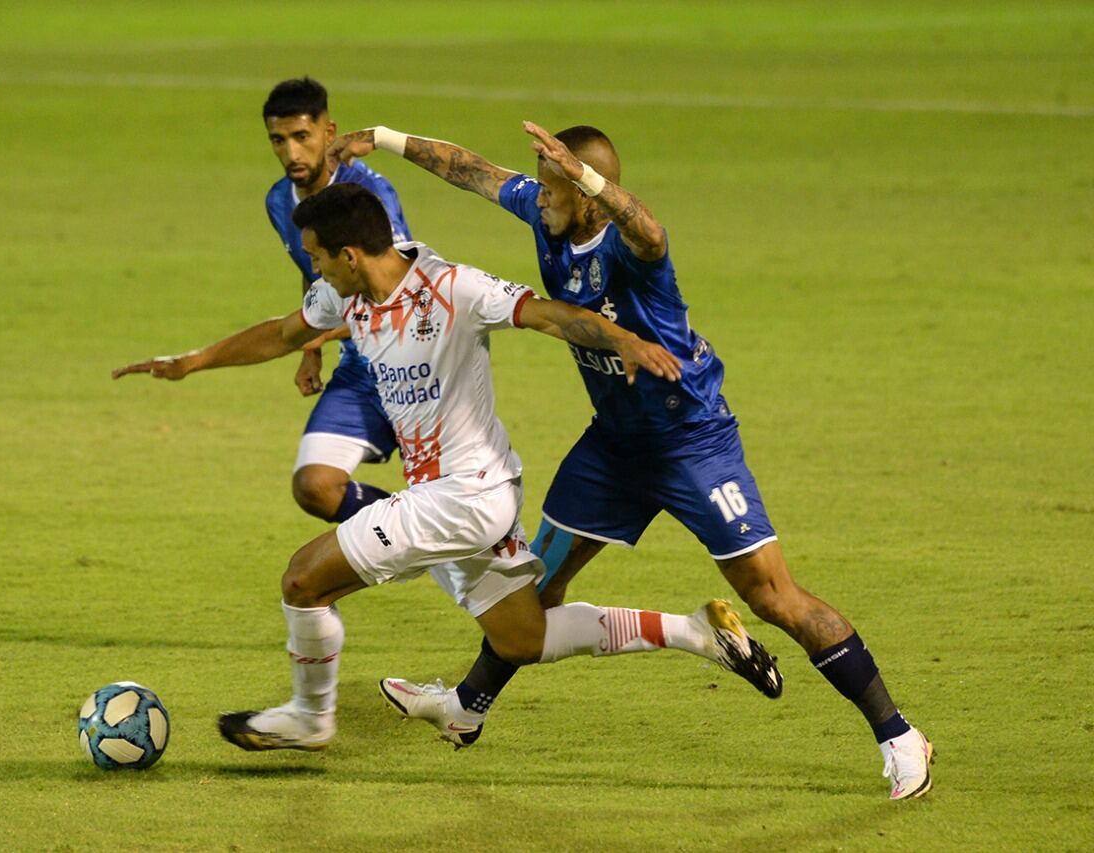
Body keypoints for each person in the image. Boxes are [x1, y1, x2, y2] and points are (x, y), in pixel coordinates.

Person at [326, 123, 933, 800]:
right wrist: (381, 138)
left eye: (554, 189)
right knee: (535, 592)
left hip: (692, 444)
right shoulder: (547, 212)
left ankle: (899, 733)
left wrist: (585, 181)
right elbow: (473, 170)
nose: (538, 201)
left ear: (586, 195)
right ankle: (469, 705)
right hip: (611, 447)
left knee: (772, 597)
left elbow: (649, 228)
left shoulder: (629, 248)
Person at [112, 183, 782, 752]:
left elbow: (547, 315)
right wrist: (193, 360)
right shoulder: (345, 296)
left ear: (349, 254)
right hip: (453, 496)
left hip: (467, 495)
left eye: (317, 259)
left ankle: (311, 716)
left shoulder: (452, 288)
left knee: (302, 579)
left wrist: (625, 337)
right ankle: (694, 632)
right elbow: (285, 331)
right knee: (523, 635)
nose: (314, 272)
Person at [262, 77, 411, 522]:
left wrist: (314, 339)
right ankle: (412, 526)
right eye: (278, 140)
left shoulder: (368, 197)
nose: (291, 153)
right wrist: (313, 347)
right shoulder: (278, 200)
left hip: (415, 360)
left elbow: (396, 296)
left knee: (462, 499)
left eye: (301, 137)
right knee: (314, 485)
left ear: (329, 133)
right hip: (359, 365)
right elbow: (313, 277)